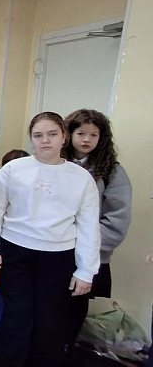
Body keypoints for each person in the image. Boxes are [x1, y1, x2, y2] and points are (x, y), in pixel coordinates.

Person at [0, 112, 100, 367]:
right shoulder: (15, 169)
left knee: (47, 319)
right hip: (15, 250)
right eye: (38, 135)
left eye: (52, 134)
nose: (45, 141)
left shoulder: (81, 178)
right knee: (14, 316)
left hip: (59, 255)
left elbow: (89, 226)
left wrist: (86, 270)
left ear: (64, 137)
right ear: (31, 138)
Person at [62, 109, 132, 344]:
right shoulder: (56, 164)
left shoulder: (112, 171)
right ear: (68, 134)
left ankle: (67, 350)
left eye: (93, 135)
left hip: (89, 253)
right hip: (53, 248)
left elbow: (117, 218)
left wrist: (86, 244)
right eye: (81, 133)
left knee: (75, 306)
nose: (86, 140)